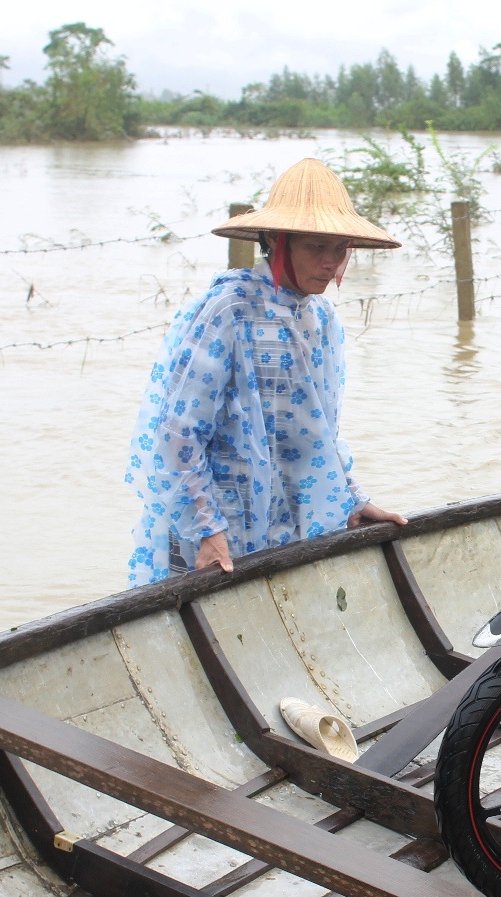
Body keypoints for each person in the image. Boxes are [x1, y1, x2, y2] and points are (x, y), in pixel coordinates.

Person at [125, 159, 407, 586]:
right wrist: (206, 528)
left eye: (339, 248)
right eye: (316, 246)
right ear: (278, 242)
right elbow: (178, 431)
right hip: (217, 525)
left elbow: (317, 432)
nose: (330, 262)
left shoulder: (322, 319)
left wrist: (351, 497)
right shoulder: (229, 310)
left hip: (284, 521)